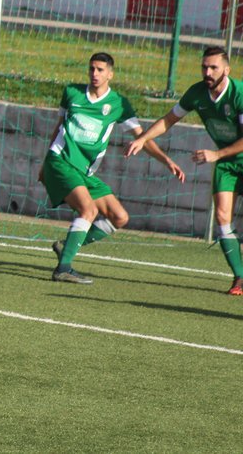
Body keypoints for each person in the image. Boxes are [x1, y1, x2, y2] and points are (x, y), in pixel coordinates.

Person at [41, 52, 185, 284]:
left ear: (110, 74)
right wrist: (44, 164)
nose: (94, 74)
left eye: (100, 70)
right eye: (91, 69)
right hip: (61, 161)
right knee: (88, 210)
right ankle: (63, 268)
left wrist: (166, 160)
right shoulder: (72, 93)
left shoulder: (118, 104)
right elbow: (59, 127)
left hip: (84, 172)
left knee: (119, 217)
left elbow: (141, 137)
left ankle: (65, 247)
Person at [127, 46, 243, 294]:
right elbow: (169, 120)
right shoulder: (197, 93)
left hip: (228, 155)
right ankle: (240, 278)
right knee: (222, 217)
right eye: (204, 67)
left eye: (213, 68)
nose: (208, 72)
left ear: (227, 70)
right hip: (227, 163)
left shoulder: (239, 94)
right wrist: (143, 138)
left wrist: (216, 154)